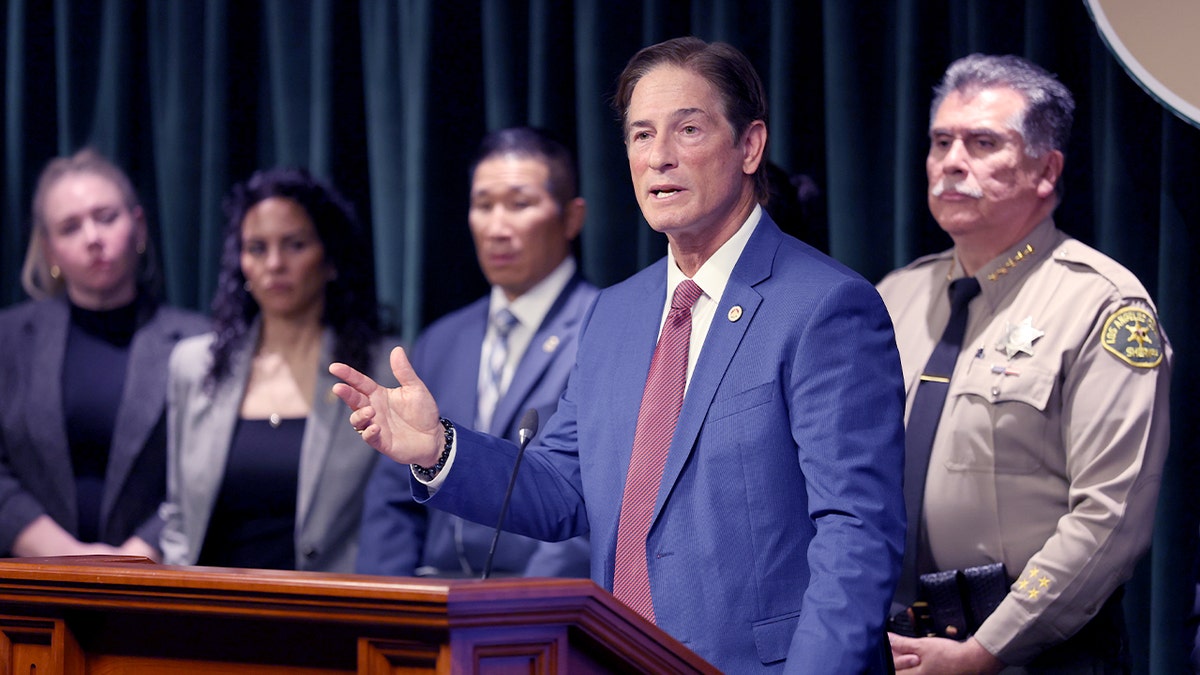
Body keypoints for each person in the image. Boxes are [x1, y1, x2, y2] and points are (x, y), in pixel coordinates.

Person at [332, 37, 906, 673]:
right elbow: (564, 488)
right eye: (640, 135)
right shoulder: (615, 313)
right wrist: (439, 449)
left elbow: (856, 534)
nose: (659, 157)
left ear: (750, 146)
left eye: (688, 129)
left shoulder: (826, 307)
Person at [879, 54, 1172, 673]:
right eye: (941, 142)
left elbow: (1110, 514)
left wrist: (987, 649)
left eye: (983, 143)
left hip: (1035, 653)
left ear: (1046, 169)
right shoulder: (894, 297)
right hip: (896, 646)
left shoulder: (1101, 304)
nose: (952, 163)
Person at [356, 127, 594, 579]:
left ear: (571, 217)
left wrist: (526, 614)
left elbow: (602, 502)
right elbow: (392, 498)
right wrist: (390, 610)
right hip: (430, 609)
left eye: (519, 204)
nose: (497, 228)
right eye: (484, 206)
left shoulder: (603, 328)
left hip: (537, 615)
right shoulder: (442, 340)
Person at [160, 167, 394, 573]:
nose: (274, 263)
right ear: (240, 264)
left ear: (331, 259)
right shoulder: (193, 365)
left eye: (295, 245)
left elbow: (392, 515)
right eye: (256, 248)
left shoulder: (376, 371)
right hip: (205, 610)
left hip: (328, 612)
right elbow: (179, 515)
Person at [0, 148, 208, 560]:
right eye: (70, 227)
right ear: (50, 249)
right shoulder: (8, 337)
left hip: (158, 584)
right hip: (28, 585)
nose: (93, 237)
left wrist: (134, 557)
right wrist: (65, 555)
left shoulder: (199, 342)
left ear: (139, 226)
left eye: (106, 217)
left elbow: (205, 474)